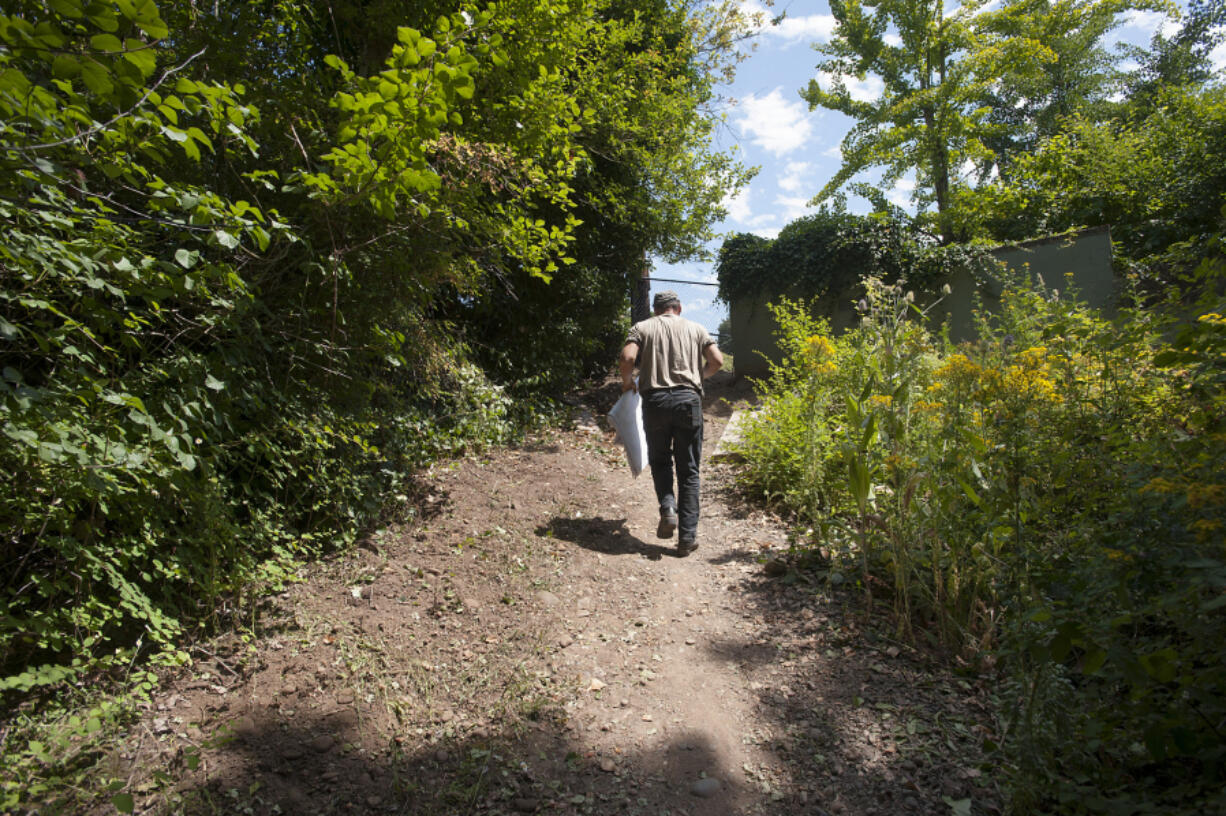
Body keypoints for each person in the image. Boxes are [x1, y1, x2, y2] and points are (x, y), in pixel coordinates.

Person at [619, 290, 723, 555]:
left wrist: (627, 382)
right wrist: (697, 377)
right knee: (689, 470)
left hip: (655, 402)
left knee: (661, 461)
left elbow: (628, 357)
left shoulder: (642, 327)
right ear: (679, 308)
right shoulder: (697, 328)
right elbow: (718, 361)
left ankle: (668, 508)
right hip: (689, 402)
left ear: (656, 310)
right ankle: (687, 538)